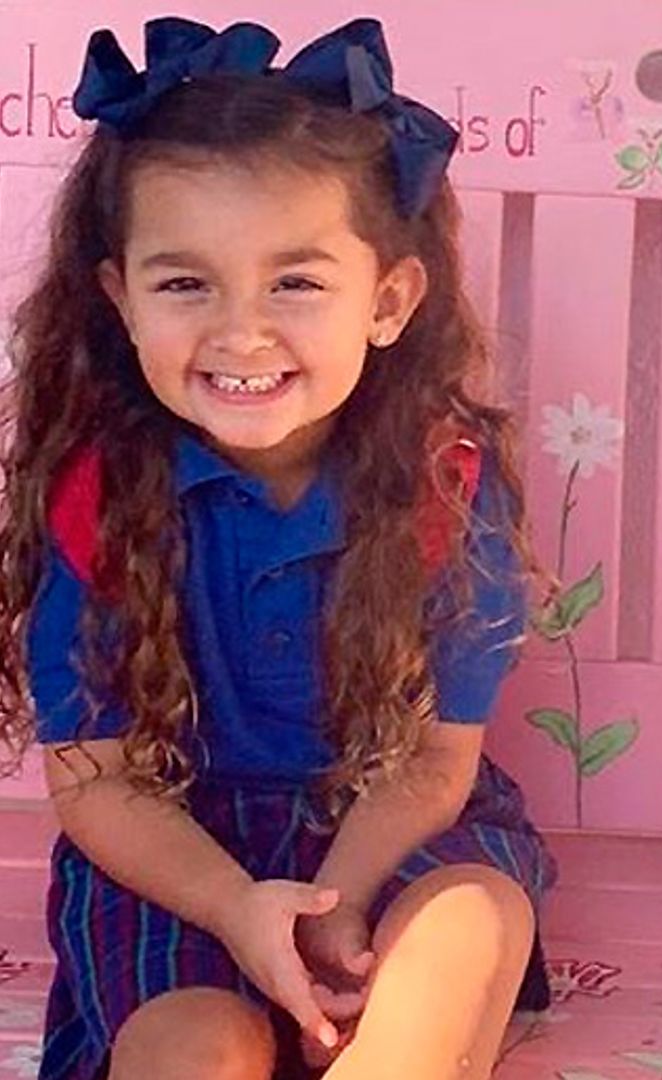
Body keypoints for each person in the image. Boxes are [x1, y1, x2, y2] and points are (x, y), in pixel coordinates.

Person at [0, 16, 557, 1080]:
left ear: (388, 301)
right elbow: (99, 783)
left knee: (473, 923)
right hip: (176, 853)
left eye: (295, 283)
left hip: (387, 833)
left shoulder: (443, 482)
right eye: (184, 283)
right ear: (121, 299)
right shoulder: (100, 498)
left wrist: (333, 908)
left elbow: (437, 763)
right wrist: (238, 907)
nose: (242, 333)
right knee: (192, 1051)